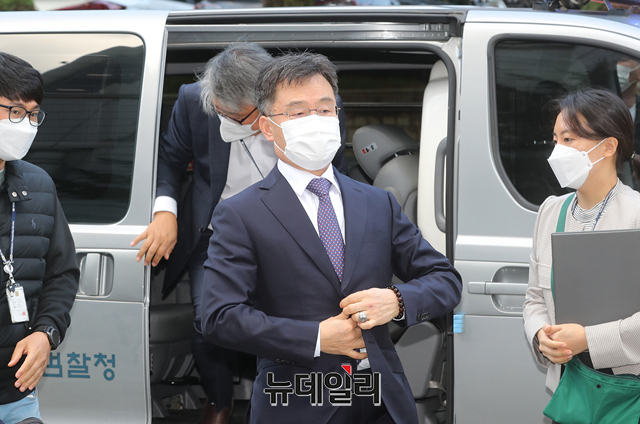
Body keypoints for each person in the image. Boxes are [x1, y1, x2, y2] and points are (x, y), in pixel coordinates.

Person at [200, 51, 462, 424]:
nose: (315, 121)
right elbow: (219, 316)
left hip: (382, 400)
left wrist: (396, 300)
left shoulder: (377, 202)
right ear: (268, 128)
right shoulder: (241, 214)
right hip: (297, 402)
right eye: (298, 112)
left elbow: (445, 280)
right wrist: (317, 337)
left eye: (324, 109)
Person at [130, 43, 348, 424]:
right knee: (210, 318)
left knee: (302, 318)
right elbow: (170, 159)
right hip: (219, 230)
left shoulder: (314, 108)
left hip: (292, 230)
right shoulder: (194, 101)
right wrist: (165, 212)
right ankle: (219, 401)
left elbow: (334, 174)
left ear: (266, 103)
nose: (225, 119)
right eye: (220, 111)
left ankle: (304, 401)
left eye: (236, 116)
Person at [523, 89, 640, 409]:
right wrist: (541, 335)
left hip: (628, 394)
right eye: (555, 140)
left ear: (609, 146)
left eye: (569, 139)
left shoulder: (636, 214)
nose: (557, 151)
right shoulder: (550, 212)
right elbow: (534, 298)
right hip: (569, 392)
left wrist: (588, 339)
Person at [0, 53, 79, 423]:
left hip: (15, 392)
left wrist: (46, 333)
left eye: (33, 115)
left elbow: (62, 272)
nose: (26, 125)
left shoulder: (38, 185)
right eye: (15, 112)